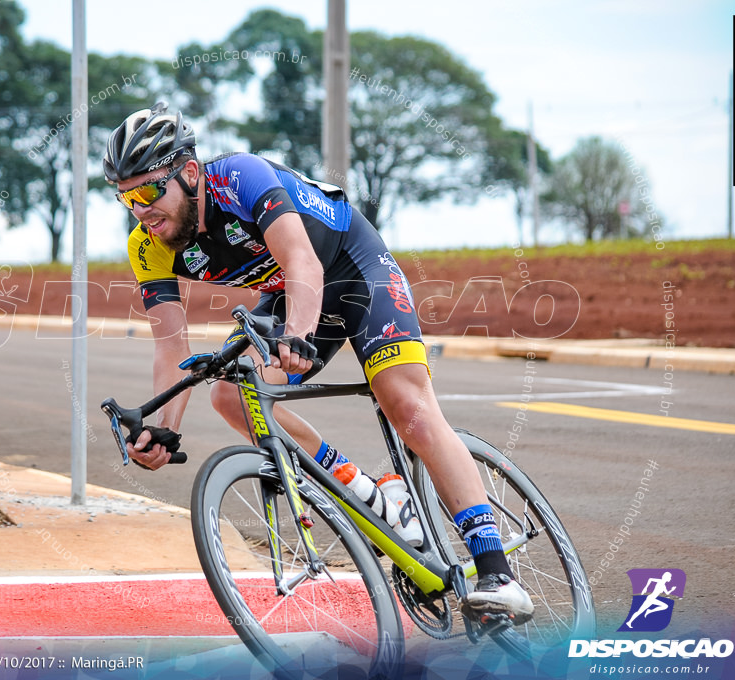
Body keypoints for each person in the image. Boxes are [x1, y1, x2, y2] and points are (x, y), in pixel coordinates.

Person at [103, 102, 534, 624]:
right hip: (293, 294)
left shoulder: (240, 177)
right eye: (128, 199)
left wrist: (299, 335)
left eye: (149, 191)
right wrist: (165, 430)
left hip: (353, 271)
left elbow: (302, 261)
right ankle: (372, 498)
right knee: (232, 395)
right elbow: (172, 346)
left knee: (405, 403)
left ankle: (496, 572)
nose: (141, 210)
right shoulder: (147, 246)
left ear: (189, 172)